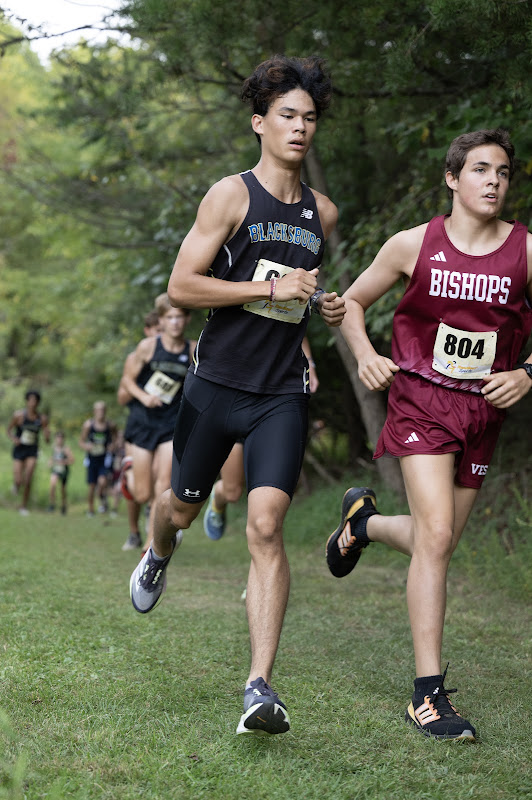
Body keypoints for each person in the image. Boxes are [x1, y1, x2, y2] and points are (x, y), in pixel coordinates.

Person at [129, 54, 345, 737]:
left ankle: (260, 687)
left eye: (310, 118)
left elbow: (299, 297)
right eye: (287, 116)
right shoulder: (231, 195)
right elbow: (184, 287)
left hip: (279, 393)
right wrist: (267, 287)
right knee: (180, 509)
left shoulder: (323, 214)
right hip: (214, 387)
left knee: (266, 526)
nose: (300, 128)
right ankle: (159, 551)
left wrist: (325, 307)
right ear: (260, 122)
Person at [325, 128, 532, 741]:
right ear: (452, 178)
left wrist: (526, 374)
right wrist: (365, 357)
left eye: (502, 172)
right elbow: (354, 303)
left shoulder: (524, 251)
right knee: (437, 537)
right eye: (479, 170)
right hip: (420, 402)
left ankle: (360, 526)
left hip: (483, 411)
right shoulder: (413, 244)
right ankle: (428, 695)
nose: (492, 180)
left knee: (434, 543)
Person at [203, 336, 319, 540]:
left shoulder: (284, 306)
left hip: (273, 401)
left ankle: (265, 531)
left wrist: (311, 365)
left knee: (267, 522)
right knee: (232, 492)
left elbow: (299, 330)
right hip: (232, 400)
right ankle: (218, 498)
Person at [120, 293, 196, 552]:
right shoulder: (148, 347)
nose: (174, 323)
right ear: (161, 320)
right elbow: (128, 380)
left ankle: (150, 547)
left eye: (179, 317)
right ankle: (128, 471)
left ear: (187, 319)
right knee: (141, 494)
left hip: (170, 425)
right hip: (143, 421)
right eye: (169, 317)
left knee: (163, 483)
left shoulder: (193, 349)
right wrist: (144, 396)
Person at [118, 309, 162, 550]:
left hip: (165, 425)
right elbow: (122, 397)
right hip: (139, 424)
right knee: (139, 490)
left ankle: (152, 535)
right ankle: (134, 531)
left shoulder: (176, 353)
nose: (162, 335)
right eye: (157, 331)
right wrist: (142, 391)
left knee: (161, 479)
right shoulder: (137, 356)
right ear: (147, 332)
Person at [8, 389, 50, 515]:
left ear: (38, 403)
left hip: (32, 450)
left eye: (35, 401)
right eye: (30, 400)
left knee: (28, 478)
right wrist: (14, 438)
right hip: (19, 449)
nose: (32, 403)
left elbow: (47, 439)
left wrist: (48, 436)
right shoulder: (19, 415)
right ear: (27, 401)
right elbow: (9, 430)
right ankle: (16, 485)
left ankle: (23, 506)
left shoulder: (42, 419)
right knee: (18, 480)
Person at [79, 401, 117, 517]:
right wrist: (87, 446)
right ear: (94, 411)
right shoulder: (88, 425)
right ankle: (90, 509)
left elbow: (116, 439)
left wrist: (112, 446)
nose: (101, 412)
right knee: (91, 485)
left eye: (103, 410)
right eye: (98, 410)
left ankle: (102, 500)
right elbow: (81, 441)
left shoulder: (110, 425)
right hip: (92, 459)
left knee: (102, 482)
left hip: (104, 459)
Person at [48, 431, 75, 514]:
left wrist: (62, 461)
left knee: (63, 489)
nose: (59, 439)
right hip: (55, 470)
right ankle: (52, 505)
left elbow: (72, 460)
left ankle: (63, 506)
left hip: (64, 471)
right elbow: (52, 458)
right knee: (52, 485)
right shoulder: (54, 447)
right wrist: (50, 462)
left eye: (61, 438)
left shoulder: (66, 449)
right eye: (58, 437)